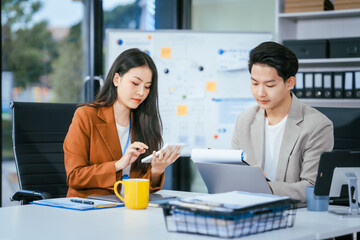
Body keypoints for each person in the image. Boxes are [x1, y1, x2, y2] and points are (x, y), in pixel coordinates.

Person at [64, 48, 181, 198]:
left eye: (147, 87)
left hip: (129, 207)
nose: (141, 92)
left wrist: (156, 171)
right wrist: (118, 164)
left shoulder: (145, 122)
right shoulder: (86, 116)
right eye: (135, 83)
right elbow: (75, 177)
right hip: (90, 208)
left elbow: (145, 188)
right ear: (116, 79)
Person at [231, 41, 334, 201]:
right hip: (248, 211)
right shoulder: (244, 120)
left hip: (296, 216)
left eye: (270, 85)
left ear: (290, 83)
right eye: (254, 83)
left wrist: (262, 187)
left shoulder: (317, 125)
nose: (260, 92)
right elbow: (233, 172)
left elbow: (313, 186)